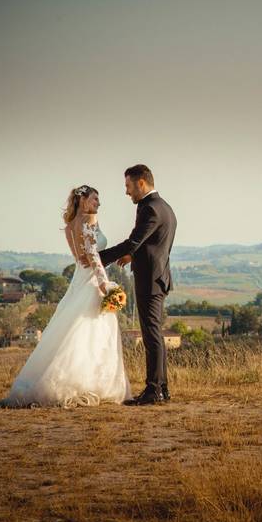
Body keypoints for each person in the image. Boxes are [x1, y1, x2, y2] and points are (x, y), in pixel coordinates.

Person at [4, 185, 132, 407]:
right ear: (83, 200)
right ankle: (88, 383)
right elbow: (92, 255)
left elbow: (79, 257)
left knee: (73, 327)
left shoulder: (70, 225)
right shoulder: (90, 220)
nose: (98, 204)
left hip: (79, 277)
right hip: (92, 278)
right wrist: (104, 282)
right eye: (94, 199)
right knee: (91, 329)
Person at [97, 164, 177, 405]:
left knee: (151, 335)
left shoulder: (150, 209)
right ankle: (161, 389)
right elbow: (152, 243)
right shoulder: (164, 207)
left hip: (150, 280)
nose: (127, 192)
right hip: (158, 277)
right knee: (155, 335)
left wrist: (99, 258)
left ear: (141, 183)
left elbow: (134, 241)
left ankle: (154, 391)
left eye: (128, 186)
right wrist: (133, 255)